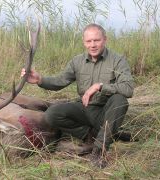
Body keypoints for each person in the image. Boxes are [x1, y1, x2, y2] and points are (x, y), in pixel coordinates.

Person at [21, 23, 134, 168]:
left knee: (120, 100)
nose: (92, 45)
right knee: (52, 114)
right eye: (89, 41)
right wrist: (40, 80)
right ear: (84, 42)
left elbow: (128, 88)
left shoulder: (118, 60)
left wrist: (100, 86)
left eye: (97, 40)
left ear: (105, 40)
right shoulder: (77, 61)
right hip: (85, 109)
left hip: (107, 112)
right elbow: (60, 81)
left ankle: (99, 149)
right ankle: (91, 135)